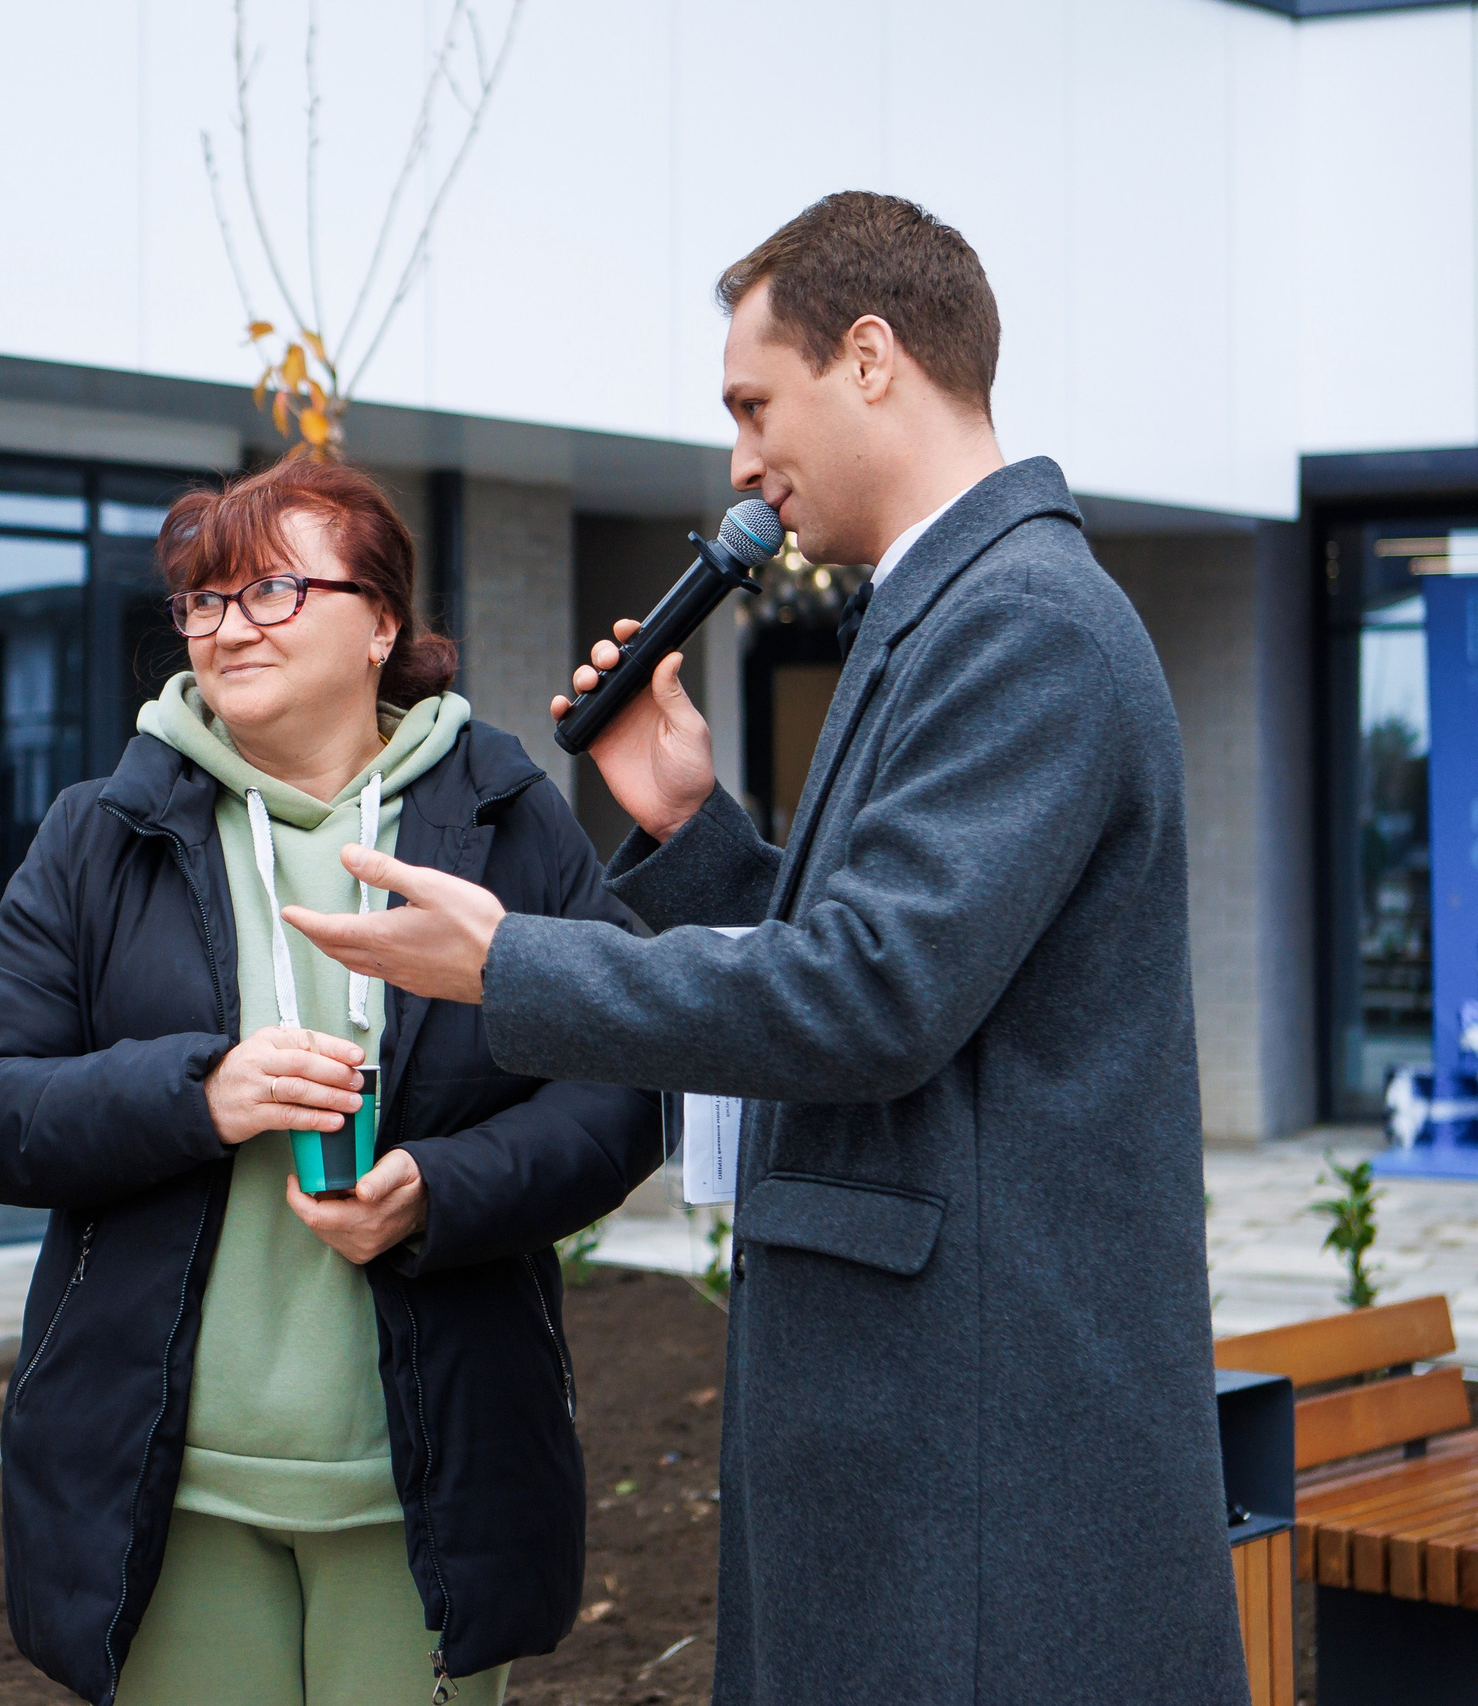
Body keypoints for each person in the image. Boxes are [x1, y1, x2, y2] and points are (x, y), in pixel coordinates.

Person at [285, 194, 1248, 1703]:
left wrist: (511, 963)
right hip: (937, 1417)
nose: (739, 462)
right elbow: (905, 955)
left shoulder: (1025, 622)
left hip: (977, 1443)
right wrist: (693, 830)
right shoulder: (945, 610)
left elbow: (873, 999)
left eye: (752, 403)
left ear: (871, 358)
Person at [0, 457, 660, 1706]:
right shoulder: (104, 828)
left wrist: (440, 1185)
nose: (227, 627)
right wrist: (195, 1093)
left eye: (270, 589)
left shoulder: (500, 812)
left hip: (423, 1471)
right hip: (173, 1484)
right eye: (203, 602)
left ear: (380, 621)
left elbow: (626, 1087)